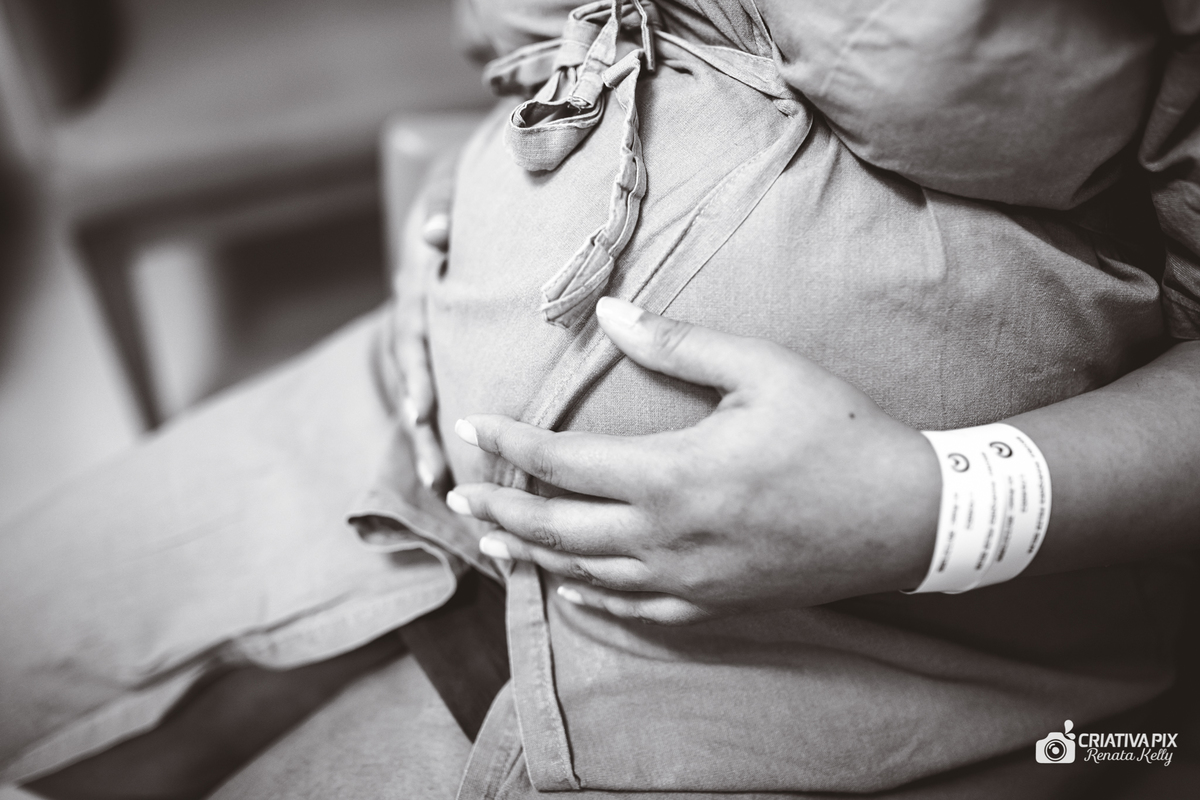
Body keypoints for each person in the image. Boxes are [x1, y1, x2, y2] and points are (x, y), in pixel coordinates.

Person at [3, 0, 1200, 797]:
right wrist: (470, 209)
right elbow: (548, 43)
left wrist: (938, 507)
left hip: (866, 623)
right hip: (411, 413)